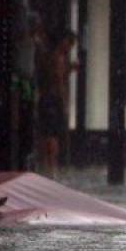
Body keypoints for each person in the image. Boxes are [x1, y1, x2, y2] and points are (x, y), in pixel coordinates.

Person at [36, 31, 76, 178]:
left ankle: (47, 166)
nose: (70, 48)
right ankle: (51, 167)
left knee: (46, 132)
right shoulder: (57, 57)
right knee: (52, 134)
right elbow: (58, 81)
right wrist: (64, 103)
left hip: (46, 97)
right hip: (53, 98)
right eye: (69, 44)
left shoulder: (48, 56)